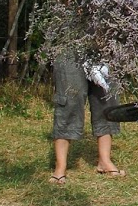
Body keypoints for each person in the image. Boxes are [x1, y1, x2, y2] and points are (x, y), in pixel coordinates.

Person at [51, 49, 124, 183]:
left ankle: (105, 161)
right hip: (70, 45)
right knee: (69, 101)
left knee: (106, 100)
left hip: (104, 44)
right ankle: (60, 166)